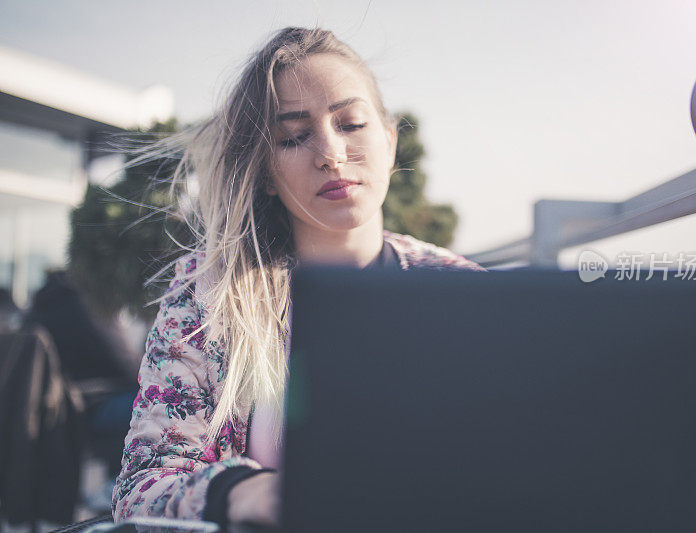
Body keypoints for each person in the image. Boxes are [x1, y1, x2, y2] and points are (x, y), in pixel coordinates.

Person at [112, 27, 483, 527]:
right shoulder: (211, 296)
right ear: (265, 172)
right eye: (293, 137)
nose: (329, 153)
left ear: (390, 142)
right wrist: (249, 493)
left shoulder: (463, 291)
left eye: (351, 123)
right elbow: (142, 490)